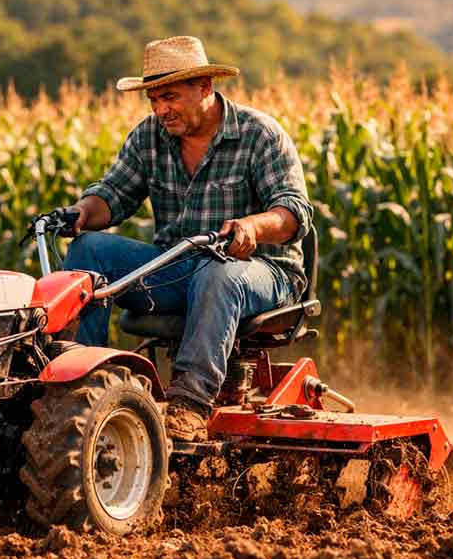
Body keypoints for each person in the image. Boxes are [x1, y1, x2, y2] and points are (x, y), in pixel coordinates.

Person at [63, 35, 312, 442]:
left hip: (261, 273)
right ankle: (82, 385)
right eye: (153, 100)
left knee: (218, 273)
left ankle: (189, 404)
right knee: (88, 250)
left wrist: (252, 226)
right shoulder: (149, 137)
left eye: (170, 97)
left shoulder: (259, 134)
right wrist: (81, 213)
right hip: (176, 266)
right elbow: (113, 195)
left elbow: (293, 213)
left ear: (205, 87)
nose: (161, 109)